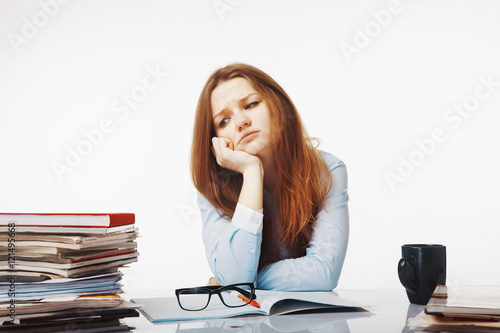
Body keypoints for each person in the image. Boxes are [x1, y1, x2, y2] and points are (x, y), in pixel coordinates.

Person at [190, 63, 349, 291]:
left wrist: (248, 279)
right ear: (215, 140)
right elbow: (235, 279)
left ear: (278, 105)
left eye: (251, 104)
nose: (240, 122)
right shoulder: (213, 187)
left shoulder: (328, 171)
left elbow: (324, 273)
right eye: (223, 121)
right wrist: (252, 171)